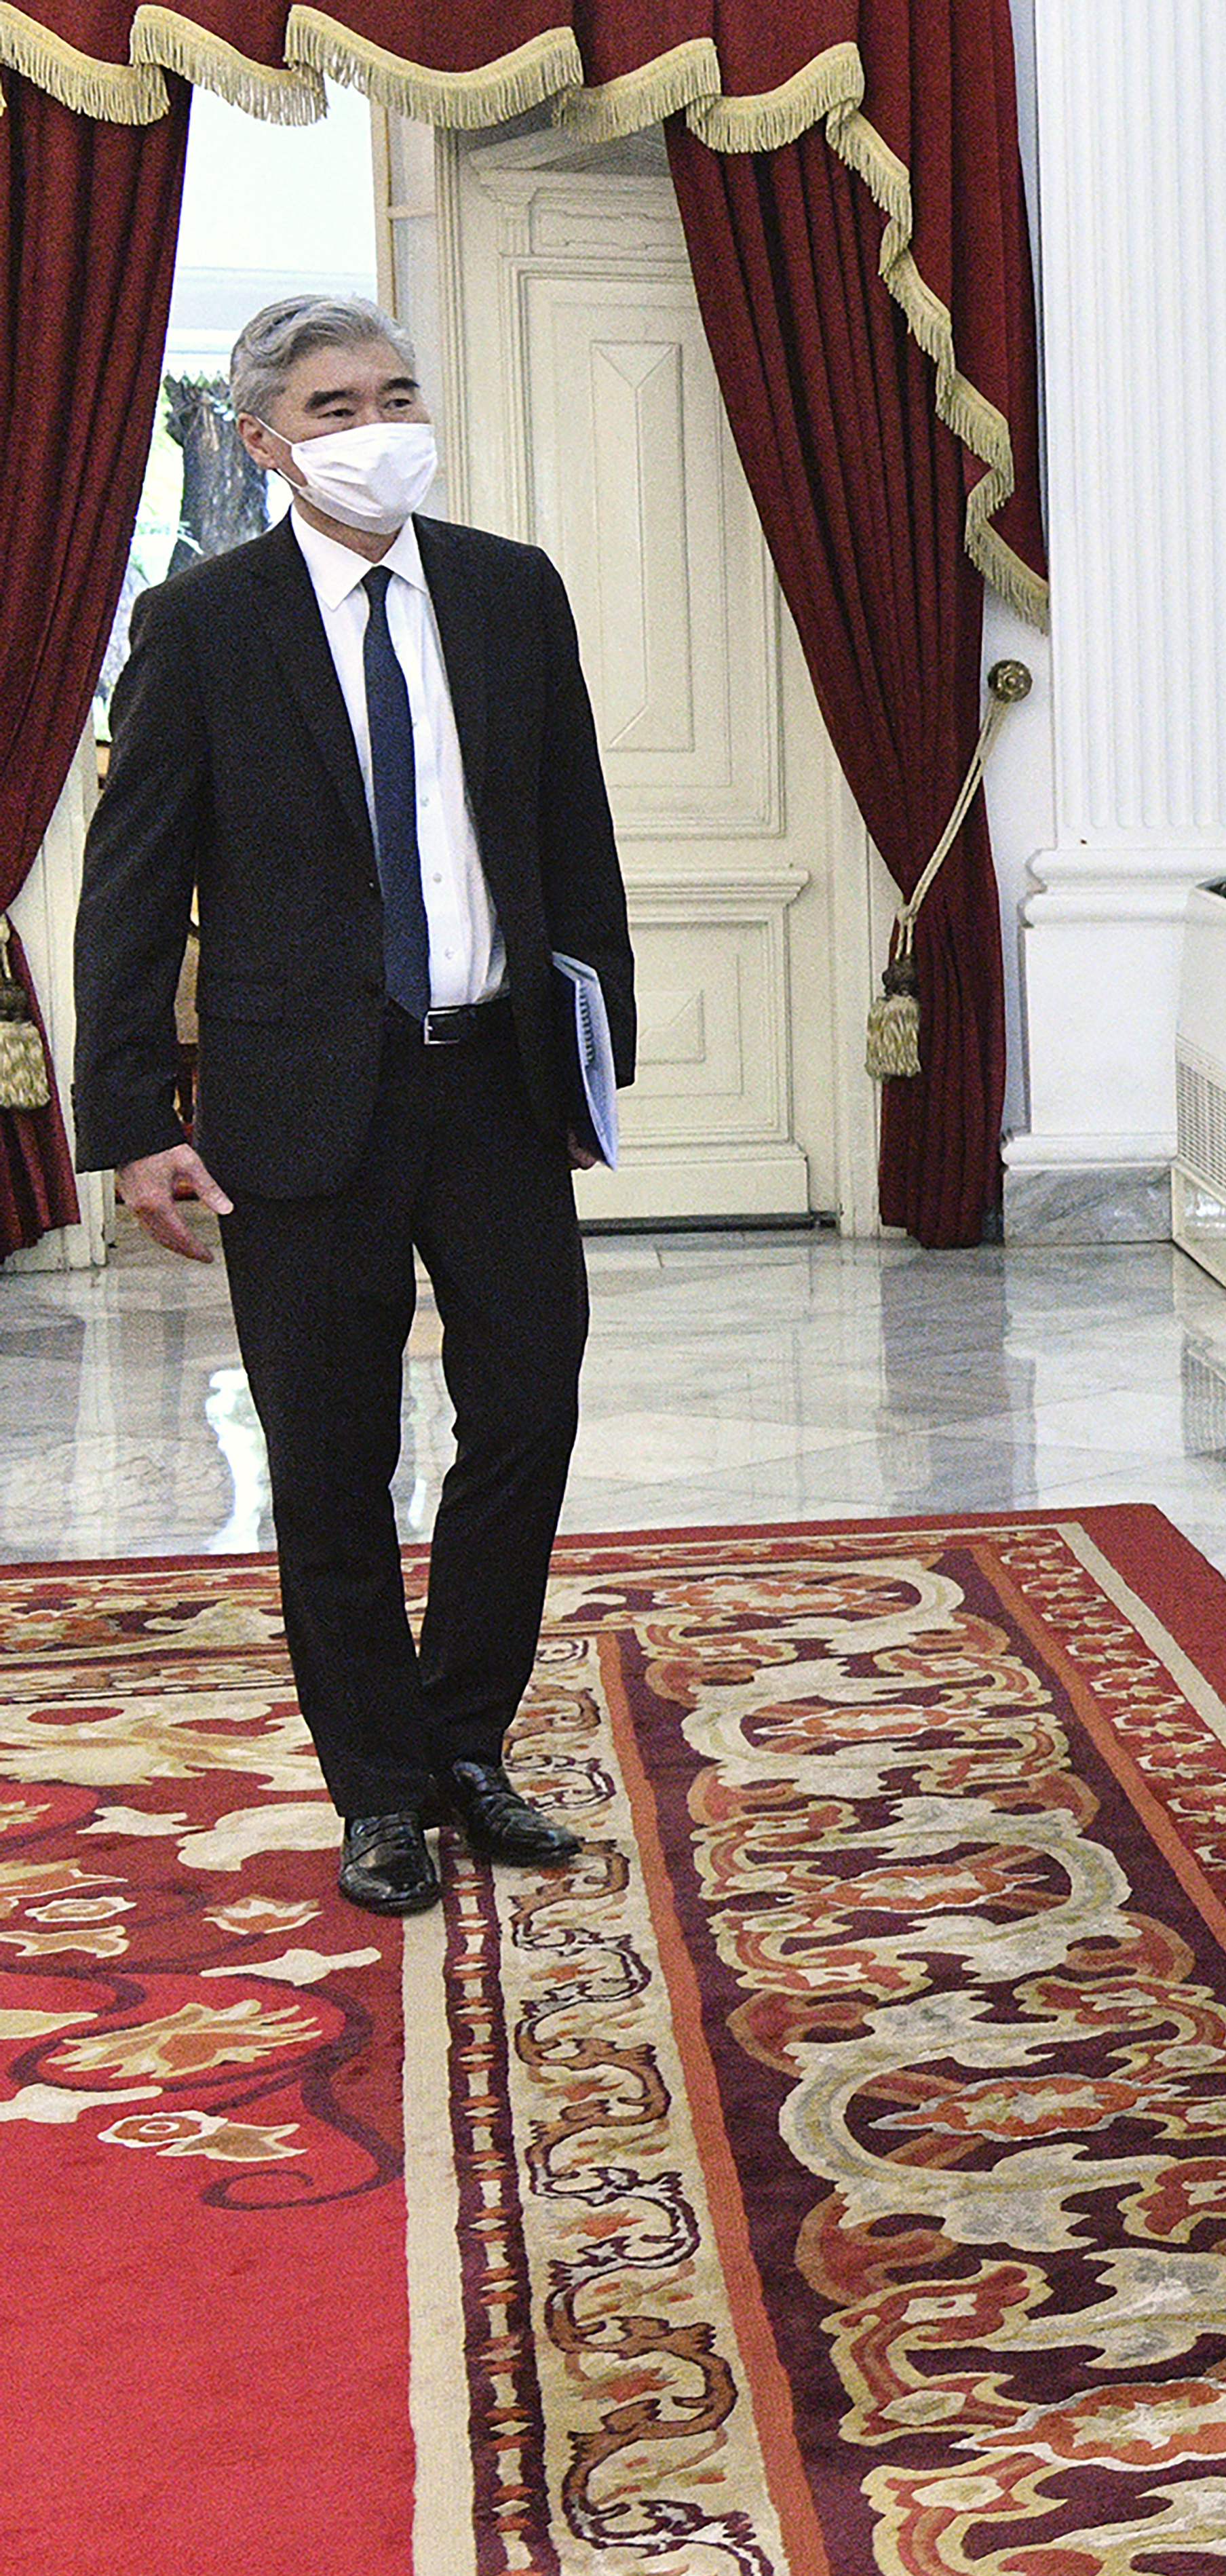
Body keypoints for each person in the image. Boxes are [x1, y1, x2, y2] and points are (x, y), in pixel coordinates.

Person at [75, 294, 634, 1921]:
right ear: (263, 441)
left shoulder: (510, 592)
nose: (375, 426)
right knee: (332, 1457)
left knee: (527, 1410)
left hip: (494, 1080)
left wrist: (598, 1039)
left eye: (394, 394)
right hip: (296, 1096)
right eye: (332, 407)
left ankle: (464, 1741)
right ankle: (380, 1788)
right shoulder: (204, 622)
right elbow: (133, 884)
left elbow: (571, 830)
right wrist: (130, 1113)